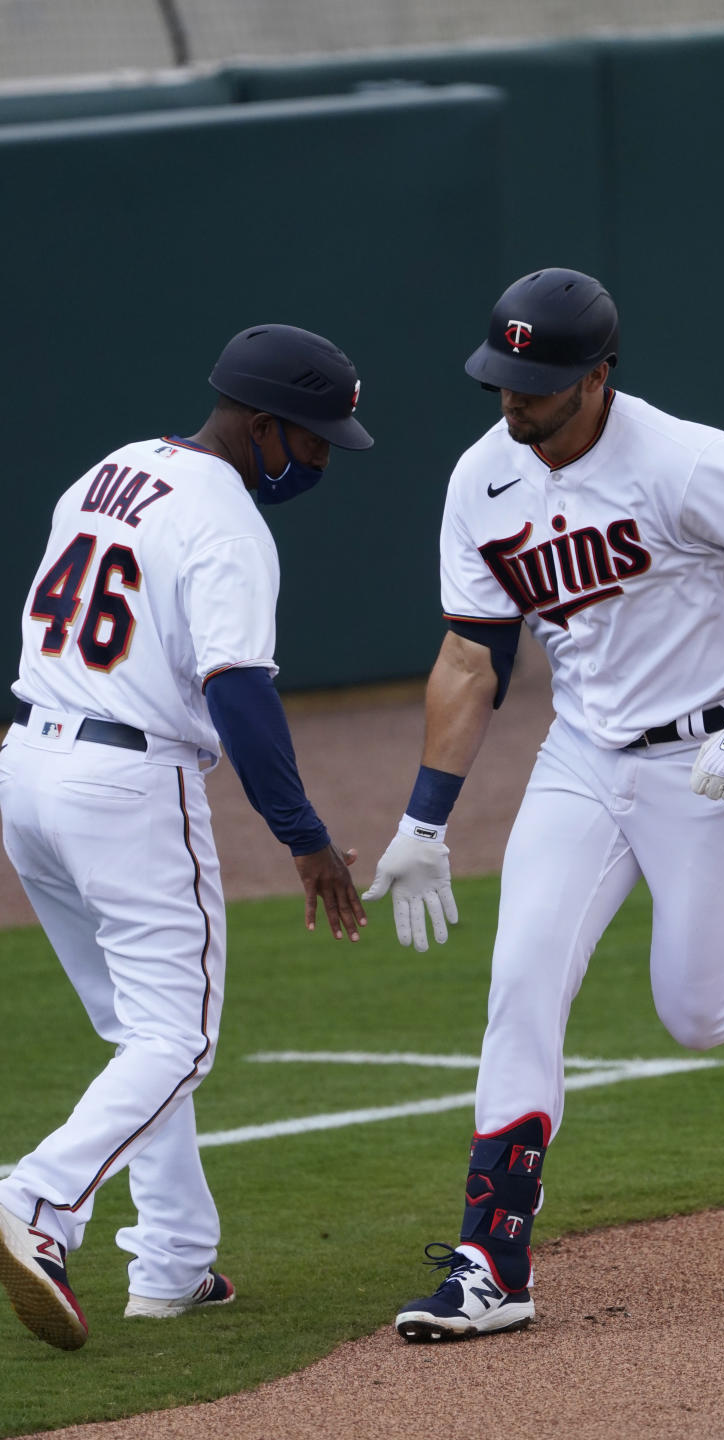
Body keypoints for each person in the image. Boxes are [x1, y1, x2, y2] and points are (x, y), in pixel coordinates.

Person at [361, 268, 724, 1342]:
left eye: (537, 384)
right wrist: (424, 819)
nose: (514, 402)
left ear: (600, 376)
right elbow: (467, 652)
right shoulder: (481, 479)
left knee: (698, 1012)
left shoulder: (688, 462)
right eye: (503, 379)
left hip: (714, 756)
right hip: (582, 756)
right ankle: (494, 1263)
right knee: (522, 979)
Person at [0, 323, 372, 1350]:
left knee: (140, 1034)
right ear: (261, 427)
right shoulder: (228, 525)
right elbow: (238, 693)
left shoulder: (111, 470)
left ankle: (171, 1262)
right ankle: (38, 1203)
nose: (322, 458)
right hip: (126, 785)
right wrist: (305, 837)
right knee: (179, 1037)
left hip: (29, 763)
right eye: (313, 438)